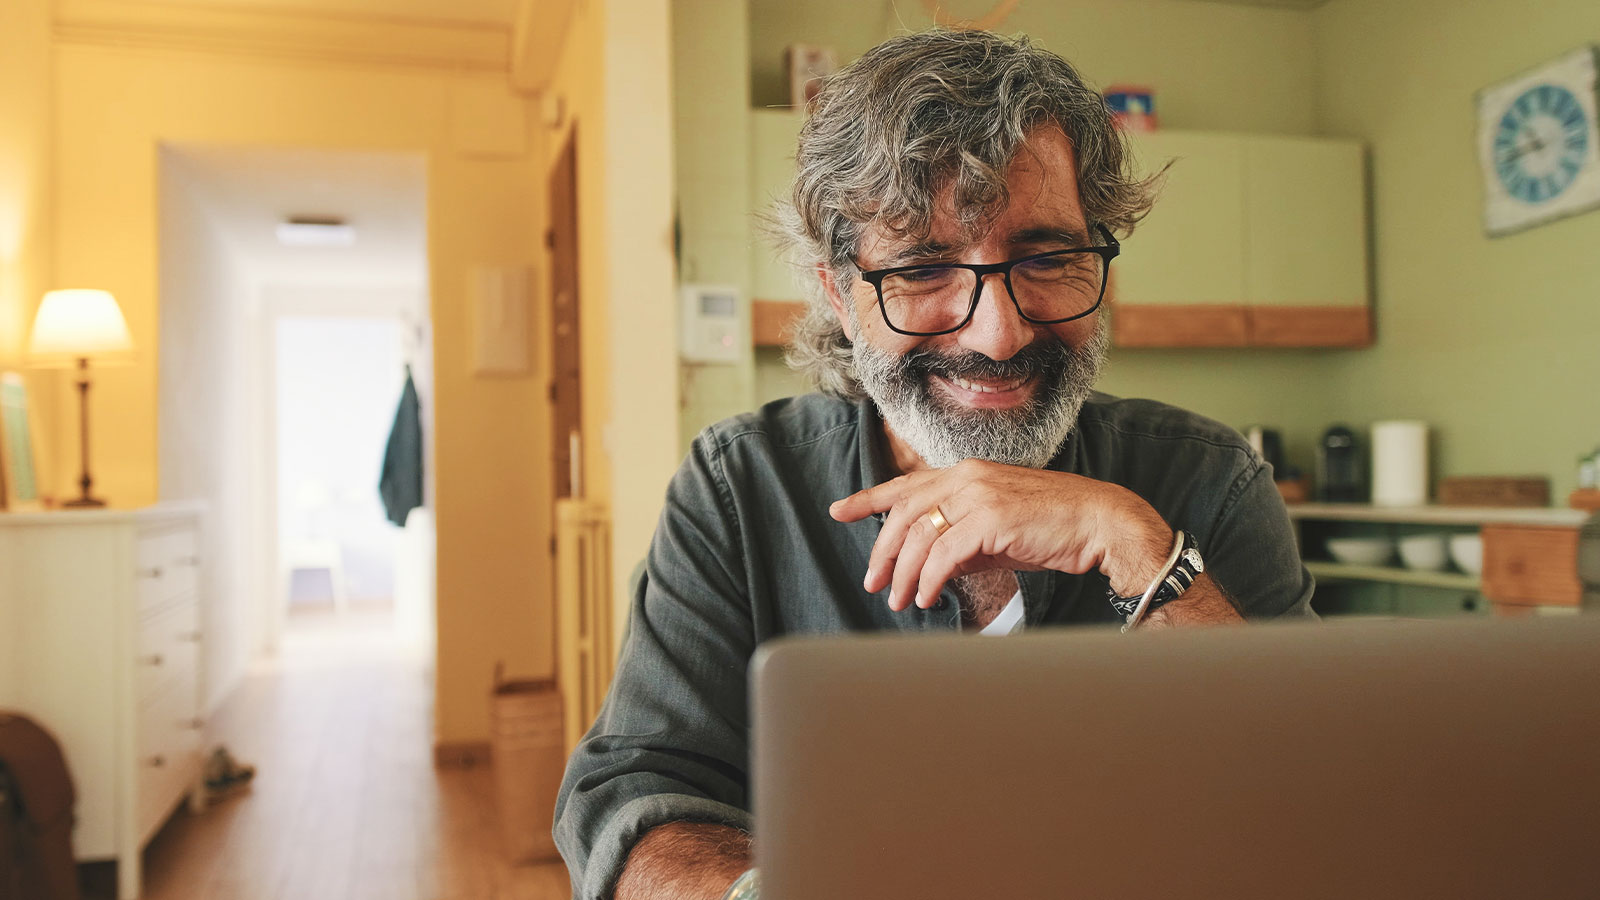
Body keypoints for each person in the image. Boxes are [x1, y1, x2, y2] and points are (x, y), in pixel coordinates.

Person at [554, 28, 1315, 900]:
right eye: (921, 268)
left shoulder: (1211, 480)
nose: (999, 333)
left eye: (1047, 257)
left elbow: (1311, 805)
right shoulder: (738, 488)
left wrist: (1132, 541)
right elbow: (636, 800)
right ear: (840, 295)